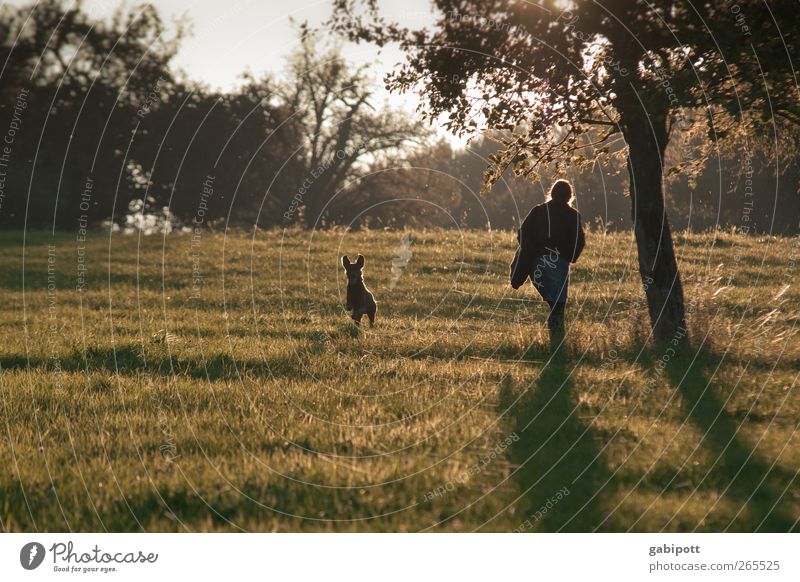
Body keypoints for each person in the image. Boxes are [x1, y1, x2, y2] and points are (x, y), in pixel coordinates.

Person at [510, 179, 586, 336]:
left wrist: (532, 250)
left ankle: (556, 340)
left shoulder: (538, 211)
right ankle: (557, 340)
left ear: (552, 193)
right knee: (558, 304)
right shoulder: (573, 216)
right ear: (569, 196)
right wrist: (569, 257)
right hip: (558, 263)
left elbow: (522, 234)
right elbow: (579, 241)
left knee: (554, 303)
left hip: (536, 263)